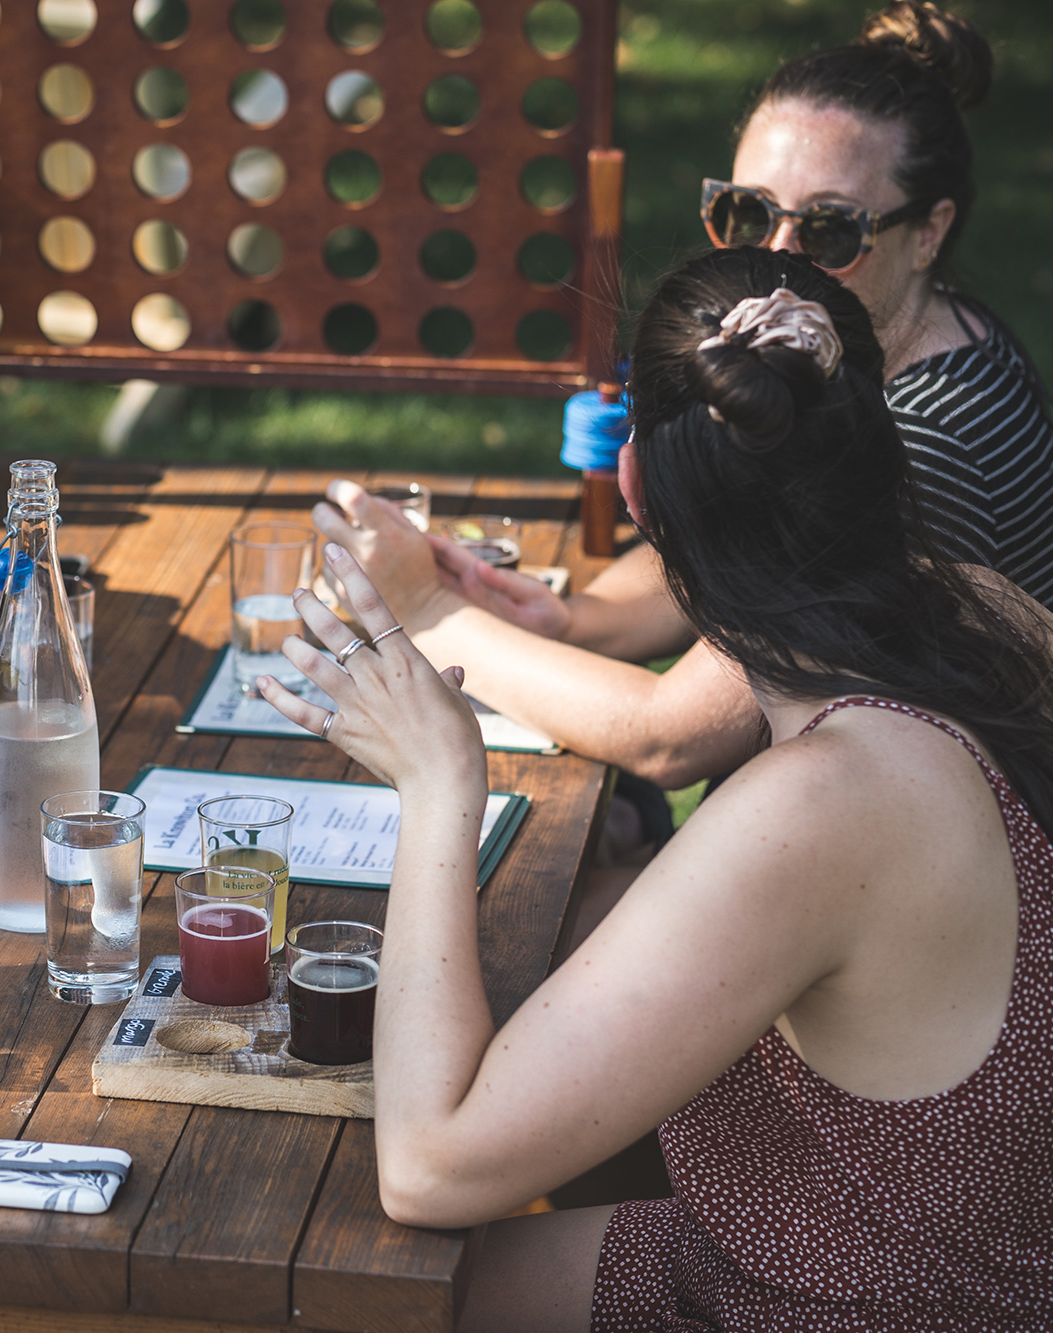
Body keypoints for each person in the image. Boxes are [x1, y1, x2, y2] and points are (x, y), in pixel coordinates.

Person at [260, 246, 1053, 1329]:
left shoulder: (819, 806)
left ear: (631, 483)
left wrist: (439, 782)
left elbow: (431, 1167)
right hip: (908, 1235)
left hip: (868, 1295)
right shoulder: (973, 611)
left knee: (322, 1283)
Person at [319, 2, 1053, 805]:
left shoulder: (917, 444)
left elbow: (670, 734)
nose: (776, 258)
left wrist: (421, 608)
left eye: (832, 231)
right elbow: (764, 535)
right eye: (750, 215)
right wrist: (571, 620)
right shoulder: (918, 344)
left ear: (929, 231)